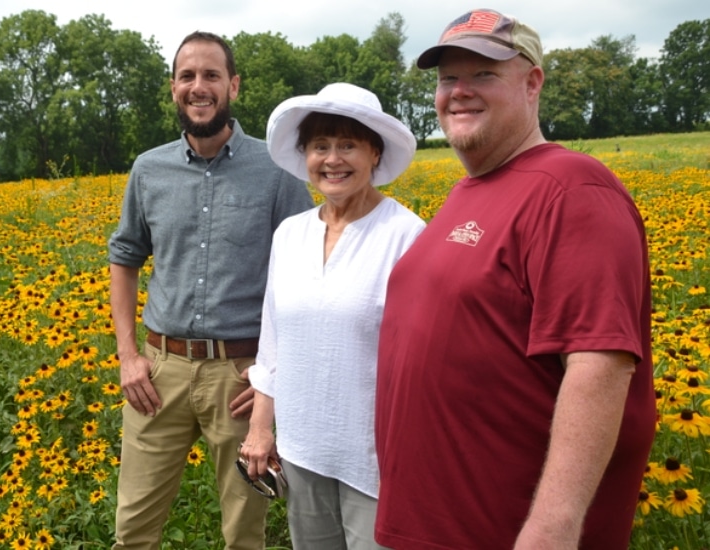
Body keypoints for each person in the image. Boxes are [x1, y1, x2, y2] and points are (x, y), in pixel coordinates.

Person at [373, 9, 656, 550]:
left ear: (532, 83)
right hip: (428, 524)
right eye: (446, 77)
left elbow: (599, 364)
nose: (458, 91)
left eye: (483, 74)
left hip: (503, 533)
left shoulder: (572, 188)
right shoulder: (468, 193)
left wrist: (551, 530)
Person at [107, 31, 315, 550]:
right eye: (187, 76)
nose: (198, 87)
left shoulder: (277, 169)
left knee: (245, 534)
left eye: (211, 75)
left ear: (234, 86)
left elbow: (307, 271)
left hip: (241, 378)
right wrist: (128, 355)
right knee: (132, 531)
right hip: (159, 374)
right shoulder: (148, 169)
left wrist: (274, 377)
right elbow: (125, 256)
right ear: (174, 87)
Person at [240, 82, 424, 550]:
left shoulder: (406, 235)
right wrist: (262, 428)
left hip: (375, 455)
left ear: (375, 154)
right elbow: (273, 340)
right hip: (303, 448)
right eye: (320, 146)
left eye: (348, 145)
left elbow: (422, 356)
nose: (332, 159)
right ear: (305, 155)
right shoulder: (290, 234)